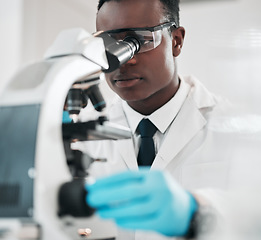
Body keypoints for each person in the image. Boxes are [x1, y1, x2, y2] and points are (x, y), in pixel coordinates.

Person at [79, 0, 229, 239]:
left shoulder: (232, 126)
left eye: (139, 41)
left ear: (176, 41)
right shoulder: (80, 132)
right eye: (108, 44)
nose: (122, 60)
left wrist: (196, 214)